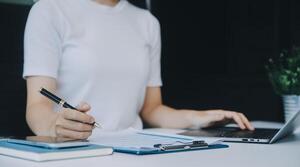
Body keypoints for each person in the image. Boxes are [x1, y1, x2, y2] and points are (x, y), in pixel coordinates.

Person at [23, 0, 254, 139]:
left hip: (135, 153)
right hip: (73, 154)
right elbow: (37, 106)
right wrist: (54, 126)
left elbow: (151, 109)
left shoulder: (147, 23)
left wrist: (199, 118)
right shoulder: (49, 10)